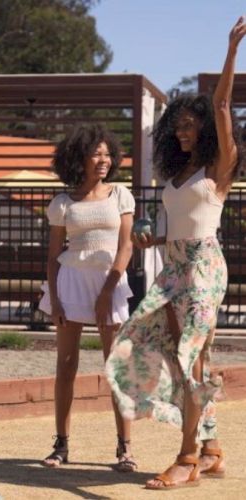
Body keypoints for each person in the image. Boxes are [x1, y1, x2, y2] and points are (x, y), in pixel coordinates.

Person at [106, 17, 246, 490]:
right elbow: (177, 223)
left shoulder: (219, 165)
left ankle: (186, 458)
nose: (182, 134)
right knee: (179, 356)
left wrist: (231, 51)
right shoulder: (182, 171)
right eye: (178, 128)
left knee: (189, 360)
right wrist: (152, 238)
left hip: (204, 268)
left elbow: (224, 103)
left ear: (206, 128)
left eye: (189, 127)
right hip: (172, 267)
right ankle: (211, 449)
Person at [39, 124, 136, 470]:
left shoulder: (121, 196)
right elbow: (52, 257)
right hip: (70, 283)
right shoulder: (63, 203)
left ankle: (125, 448)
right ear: (78, 157)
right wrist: (56, 300)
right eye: (96, 153)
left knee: (117, 367)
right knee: (66, 366)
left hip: (109, 283)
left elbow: (125, 247)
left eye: (107, 154)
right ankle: (61, 445)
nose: (103, 160)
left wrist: (108, 291)